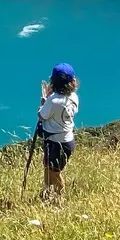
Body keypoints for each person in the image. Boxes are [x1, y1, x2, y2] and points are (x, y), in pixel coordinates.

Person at [38, 62, 79, 201]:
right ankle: (47, 194)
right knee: (50, 168)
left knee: (54, 173)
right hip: (68, 141)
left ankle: (60, 199)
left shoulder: (53, 100)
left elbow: (42, 115)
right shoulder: (74, 97)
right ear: (72, 81)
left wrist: (44, 102)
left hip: (55, 142)